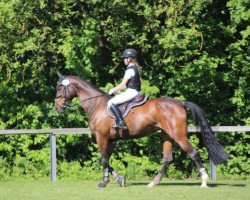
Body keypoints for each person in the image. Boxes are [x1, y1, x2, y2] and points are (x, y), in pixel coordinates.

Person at [108, 48, 142, 129]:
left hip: (132, 92)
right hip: (134, 91)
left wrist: (112, 90)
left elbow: (122, 84)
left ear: (129, 59)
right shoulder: (135, 67)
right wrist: (120, 91)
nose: (123, 60)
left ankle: (121, 122)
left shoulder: (130, 69)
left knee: (110, 102)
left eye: (125, 58)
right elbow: (137, 82)